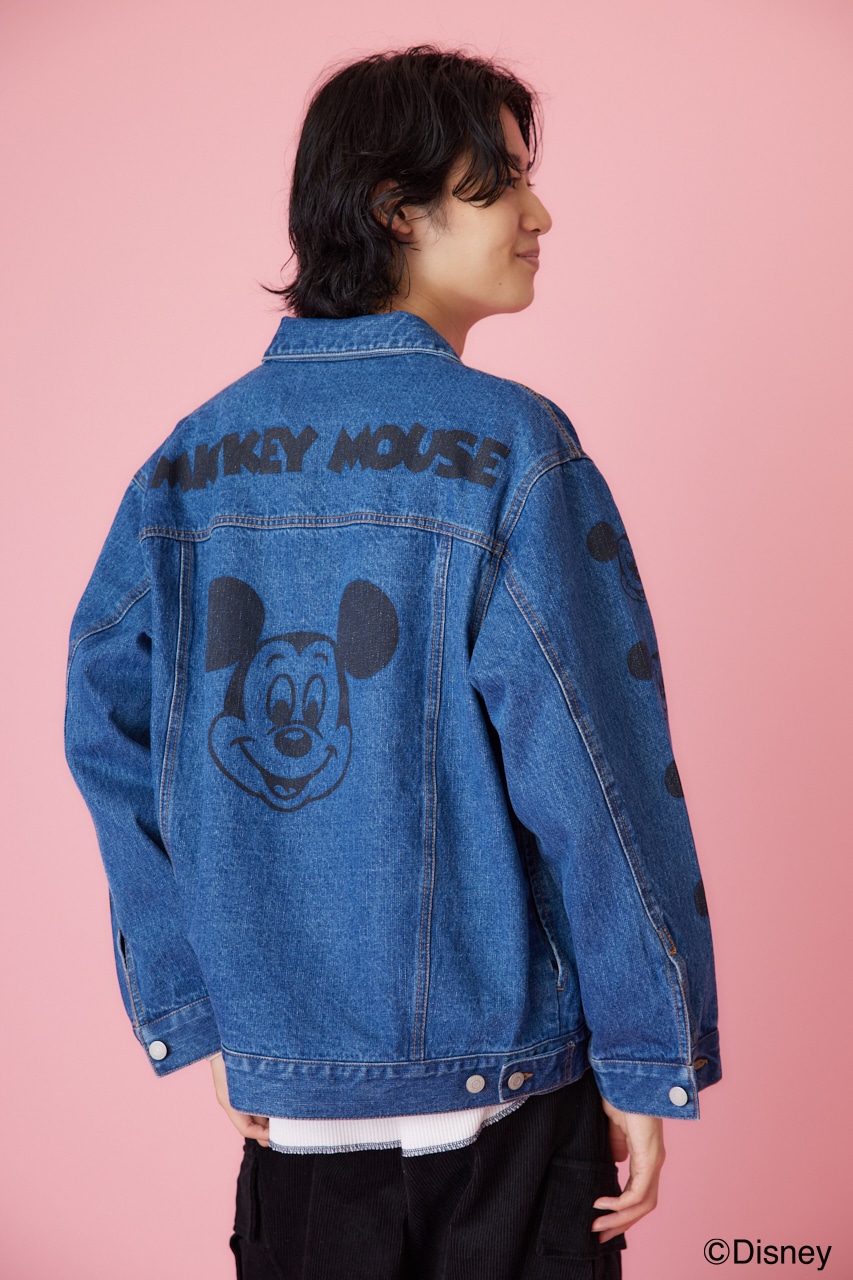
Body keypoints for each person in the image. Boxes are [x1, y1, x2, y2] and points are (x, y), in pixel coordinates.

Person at [64, 45, 721, 1280]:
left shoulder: (191, 460)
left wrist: (198, 1008)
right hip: (507, 1110)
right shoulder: (513, 450)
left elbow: (103, 722)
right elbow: (598, 777)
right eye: (501, 182)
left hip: (292, 1120)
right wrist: (649, 1054)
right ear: (394, 209)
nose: (539, 213)